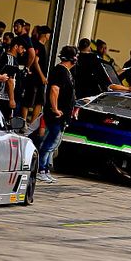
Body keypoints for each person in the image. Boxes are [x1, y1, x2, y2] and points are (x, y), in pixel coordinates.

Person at [39, 46, 77, 184]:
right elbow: (54, 90)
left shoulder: (66, 72)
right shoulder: (60, 71)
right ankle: (41, 169)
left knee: (54, 142)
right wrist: (55, 108)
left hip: (63, 115)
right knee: (50, 141)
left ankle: (45, 169)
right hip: (56, 115)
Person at [0, 38, 25, 117]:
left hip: (6, 96)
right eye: (22, 48)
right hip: (5, 97)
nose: (24, 50)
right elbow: (10, 80)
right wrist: (11, 99)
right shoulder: (10, 59)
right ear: (15, 46)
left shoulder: (11, 58)